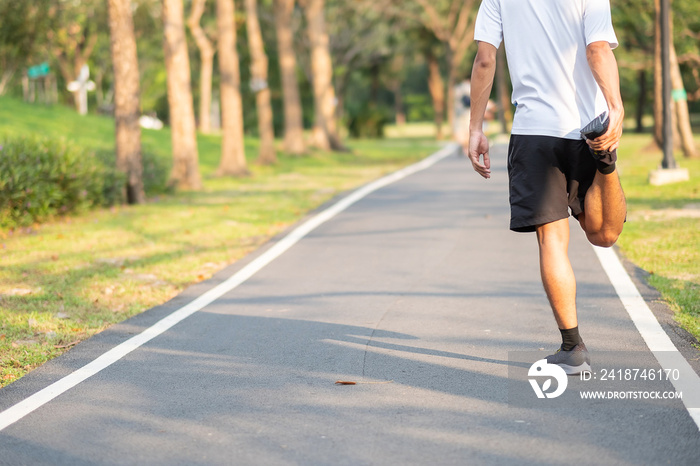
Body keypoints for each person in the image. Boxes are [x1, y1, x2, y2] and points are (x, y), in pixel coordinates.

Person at [466, 0, 627, 375]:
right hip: (587, 125)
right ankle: (606, 163)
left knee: (551, 241)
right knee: (604, 235)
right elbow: (597, 49)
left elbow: (485, 59)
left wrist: (475, 128)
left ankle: (573, 348)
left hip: (534, 132)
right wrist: (615, 108)